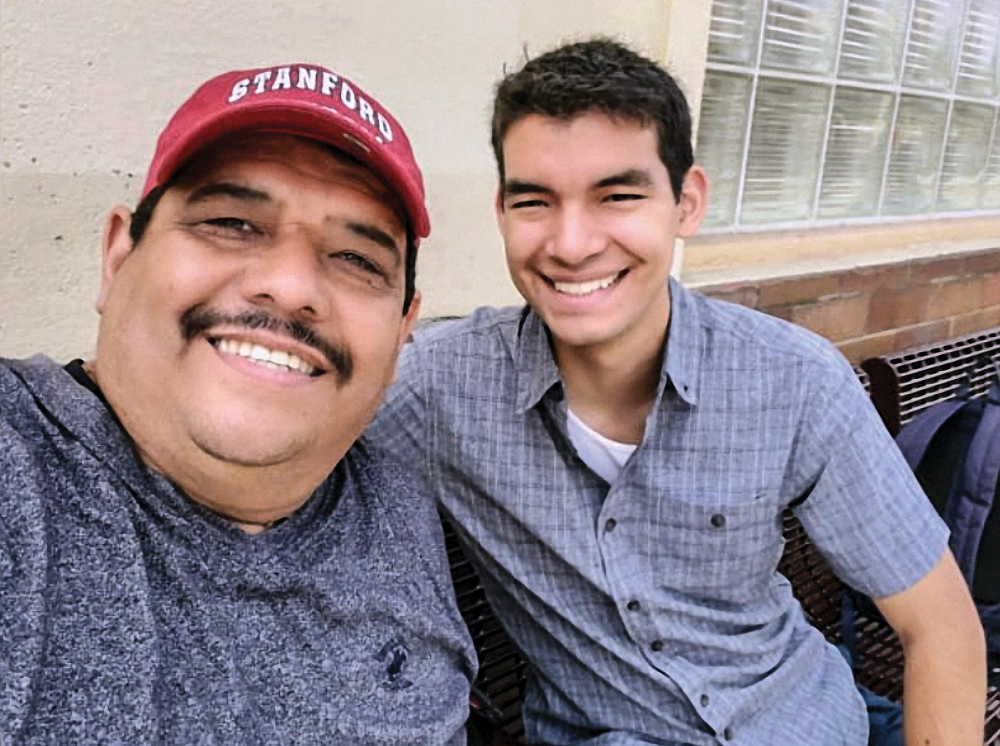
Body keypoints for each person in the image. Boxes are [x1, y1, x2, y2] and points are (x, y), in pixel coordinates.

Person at [368, 39, 986, 746]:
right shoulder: (442, 388)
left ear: (686, 203)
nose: (571, 244)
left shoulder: (793, 381)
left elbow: (939, 627)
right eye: (535, 200)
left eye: (618, 196)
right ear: (502, 211)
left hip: (811, 722)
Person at [1, 64, 476, 745]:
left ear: (404, 330)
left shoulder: (399, 503)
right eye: (230, 221)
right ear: (117, 257)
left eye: (357, 259)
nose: (289, 285)